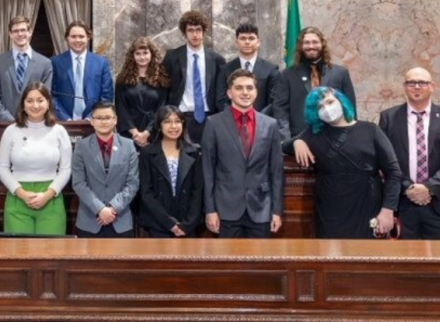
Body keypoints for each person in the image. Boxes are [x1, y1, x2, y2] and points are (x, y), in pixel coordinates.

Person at [285, 86, 401, 239]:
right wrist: (297, 142)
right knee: (331, 257)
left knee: (369, 258)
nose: (327, 108)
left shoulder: (370, 130)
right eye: (320, 107)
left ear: (342, 101)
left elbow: (394, 172)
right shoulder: (314, 134)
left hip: (368, 203)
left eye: (330, 102)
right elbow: (281, 144)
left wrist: (388, 209)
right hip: (330, 208)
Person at [202, 69, 284, 238]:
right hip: (225, 209)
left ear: (256, 92)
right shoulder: (213, 123)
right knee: (228, 264)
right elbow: (207, 171)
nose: (245, 92)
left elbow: (276, 172)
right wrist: (210, 210)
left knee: (259, 263)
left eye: (249, 88)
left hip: (261, 209)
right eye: (239, 88)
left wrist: (276, 210)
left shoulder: (270, 124)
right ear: (229, 93)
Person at [379, 67, 440, 240]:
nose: (417, 86)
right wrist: (408, 188)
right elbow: (385, 160)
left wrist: (429, 188)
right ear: (405, 87)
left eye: (422, 82)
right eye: (411, 82)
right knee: (404, 263)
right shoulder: (388, 118)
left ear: (432, 86)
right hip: (404, 204)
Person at [0, 82, 72, 235]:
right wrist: (21, 193)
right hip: (17, 197)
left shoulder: (59, 131)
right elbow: (2, 167)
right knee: (19, 255)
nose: (35, 105)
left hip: (51, 198)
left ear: (48, 103)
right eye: (29, 100)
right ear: (23, 104)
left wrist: (47, 195)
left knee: (51, 255)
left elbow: (65, 169)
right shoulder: (11, 131)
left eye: (40, 100)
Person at [273, 27, 356, 140]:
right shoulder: (287, 75)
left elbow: (350, 108)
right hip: (300, 140)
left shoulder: (340, 73)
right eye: (306, 43)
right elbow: (280, 110)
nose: (311, 46)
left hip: (335, 138)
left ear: (322, 44)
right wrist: (286, 141)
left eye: (315, 42)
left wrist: (350, 137)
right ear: (301, 47)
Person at [71, 101, 139, 238]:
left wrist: (113, 208)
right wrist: (100, 209)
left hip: (120, 220)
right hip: (90, 221)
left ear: (115, 120)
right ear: (92, 121)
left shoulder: (128, 145)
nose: (103, 122)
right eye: (99, 118)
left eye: (108, 117)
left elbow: (133, 183)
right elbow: (78, 183)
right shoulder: (81, 147)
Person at [138, 105, 204, 238]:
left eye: (177, 121)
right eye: (167, 121)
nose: (173, 126)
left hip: (187, 225)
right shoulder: (147, 153)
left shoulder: (193, 152)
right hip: (159, 224)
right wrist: (169, 223)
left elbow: (197, 191)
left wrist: (188, 223)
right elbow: (146, 192)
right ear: (159, 126)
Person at [162, 11, 225, 144]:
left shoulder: (217, 59)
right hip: (180, 116)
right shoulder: (172, 57)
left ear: (204, 32)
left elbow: (221, 92)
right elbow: (163, 88)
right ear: (184, 33)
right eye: (190, 30)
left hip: (209, 116)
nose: (195, 34)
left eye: (198, 30)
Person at [0, 15, 53, 121]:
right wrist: (10, 120)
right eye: (15, 31)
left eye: (23, 30)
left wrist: (31, 119)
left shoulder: (45, 63)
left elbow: (46, 97)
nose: (20, 34)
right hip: (5, 125)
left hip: (34, 124)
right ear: (10, 34)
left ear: (30, 32)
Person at [50, 20, 113, 121]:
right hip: (64, 123)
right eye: (73, 36)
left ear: (88, 37)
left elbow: (106, 95)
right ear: (67, 38)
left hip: (94, 122)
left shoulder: (101, 63)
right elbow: (51, 95)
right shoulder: (55, 62)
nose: (77, 40)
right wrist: (65, 118)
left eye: (81, 36)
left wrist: (91, 117)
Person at [115, 37, 169, 148]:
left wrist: (147, 133)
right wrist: (135, 133)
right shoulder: (123, 79)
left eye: (145, 53)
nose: (142, 57)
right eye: (138, 53)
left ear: (152, 54)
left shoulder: (161, 79)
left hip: (154, 131)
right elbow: (121, 108)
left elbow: (162, 108)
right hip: (129, 132)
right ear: (132, 56)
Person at [215, 23, 280, 116]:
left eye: (251, 38)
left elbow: (274, 101)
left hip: (262, 124)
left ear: (258, 42)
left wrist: (257, 118)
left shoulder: (271, 69)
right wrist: (234, 117)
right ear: (236, 42)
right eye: (243, 38)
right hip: (232, 123)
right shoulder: (225, 69)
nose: (247, 42)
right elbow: (221, 100)